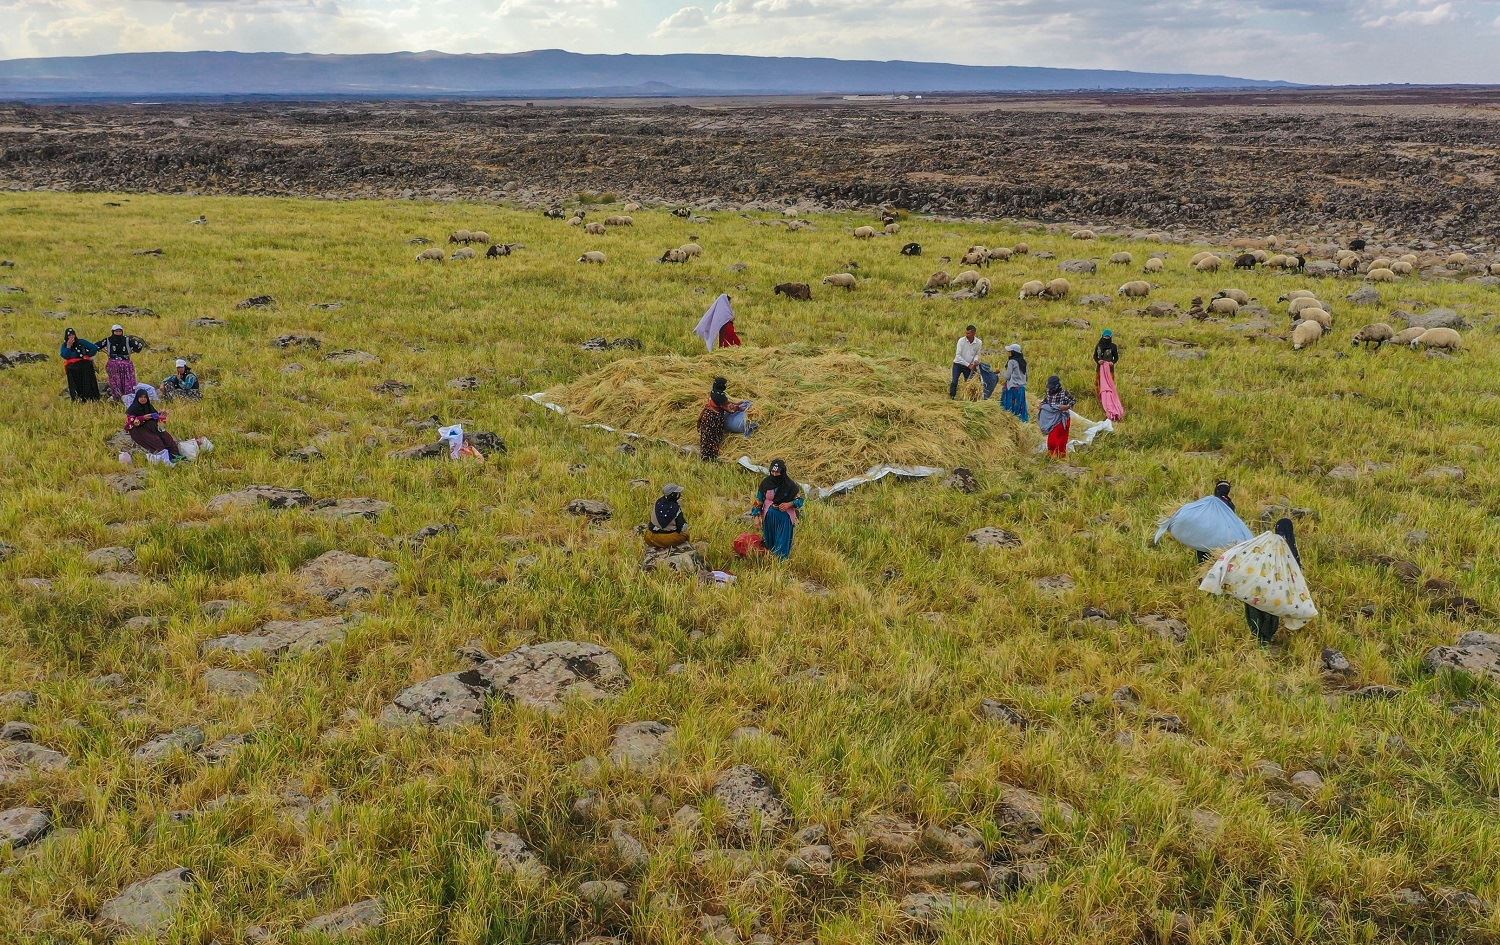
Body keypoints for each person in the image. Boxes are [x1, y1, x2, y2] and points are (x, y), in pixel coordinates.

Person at [1199, 517, 1316, 645]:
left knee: (1254, 609)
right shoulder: (1288, 548)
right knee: (1271, 612)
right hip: (1275, 591)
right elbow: (1296, 570)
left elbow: (1245, 553)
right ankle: (1265, 639)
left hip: (1255, 586)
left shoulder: (1264, 541)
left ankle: (1258, 637)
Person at [751, 459, 803, 560]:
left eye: (777, 472)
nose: (774, 475)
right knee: (769, 542)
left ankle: (780, 565)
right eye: (772, 472)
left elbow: (800, 501)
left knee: (782, 543)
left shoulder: (790, 486)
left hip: (784, 519)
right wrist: (756, 516)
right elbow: (758, 500)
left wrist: (789, 504)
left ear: (782, 472)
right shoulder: (766, 483)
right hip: (769, 517)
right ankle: (769, 563)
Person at [124, 387, 185, 461]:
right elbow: (130, 422)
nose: (143, 399)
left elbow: (156, 416)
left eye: (145, 397)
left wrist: (161, 414)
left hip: (152, 428)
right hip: (139, 430)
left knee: (167, 438)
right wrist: (142, 418)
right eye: (141, 397)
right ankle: (167, 459)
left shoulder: (149, 406)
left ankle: (176, 456)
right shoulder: (133, 408)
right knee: (156, 441)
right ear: (137, 398)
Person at [698, 376, 750, 461]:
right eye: (725, 385)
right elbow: (729, 409)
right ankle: (710, 457)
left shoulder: (715, 392)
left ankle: (706, 455)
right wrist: (739, 408)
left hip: (708, 416)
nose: (726, 386)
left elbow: (726, 402)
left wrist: (736, 403)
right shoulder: (719, 396)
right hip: (713, 419)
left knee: (707, 436)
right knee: (712, 436)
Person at [99, 324, 143, 401]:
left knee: (128, 382)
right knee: (115, 383)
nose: (118, 333)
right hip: (113, 365)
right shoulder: (108, 340)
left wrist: (132, 350)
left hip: (126, 365)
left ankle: (129, 398)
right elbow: (97, 346)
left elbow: (139, 346)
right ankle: (118, 399)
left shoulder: (127, 339)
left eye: (120, 331)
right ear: (113, 332)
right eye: (116, 331)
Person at [59, 328, 103, 402]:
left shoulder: (81, 342)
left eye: (72, 335)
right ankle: (78, 398)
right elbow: (65, 355)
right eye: (69, 335)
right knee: (75, 384)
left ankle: (91, 397)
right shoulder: (65, 345)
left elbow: (94, 348)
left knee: (87, 382)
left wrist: (87, 355)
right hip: (72, 368)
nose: (71, 337)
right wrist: (68, 346)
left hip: (84, 365)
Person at [1038, 375, 1076, 457]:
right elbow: (1045, 401)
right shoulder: (1049, 393)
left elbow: (1073, 401)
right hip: (1052, 419)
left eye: (1052, 387)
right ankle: (1052, 456)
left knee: (1062, 439)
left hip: (1062, 419)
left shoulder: (1064, 393)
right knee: (1052, 440)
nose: (1050, 389)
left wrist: (1067, 406)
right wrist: (1041, 405)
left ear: (1057, 385)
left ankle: (1061, 456)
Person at [645, 484, 689, 548]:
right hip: (667, 539)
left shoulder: (658, 502)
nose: (680, 495)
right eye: (678, 493)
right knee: (686, 534)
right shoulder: (675, 508)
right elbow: (681, 528)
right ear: (673, 495)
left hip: (649, 537)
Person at [1094, 329, 1124, 422]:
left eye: (1108, 337)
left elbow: (1116, 357)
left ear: (1110, 337)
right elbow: (1095, 356)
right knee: (1099, 384)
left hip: (1109, 370)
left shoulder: (1113, 346)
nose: (1106, 338)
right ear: (1102, 336)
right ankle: (1101, 399)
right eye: (1105, 337)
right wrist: (1098, 361)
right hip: (1100, 369)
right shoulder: (1099, 345)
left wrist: (1112, 362)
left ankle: (1110, 400)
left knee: (1110, 385)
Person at [950, 325, 982, 398]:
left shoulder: (979, 342)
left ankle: (966, 397)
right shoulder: (961, 340)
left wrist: (975, 361)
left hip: (969, 366)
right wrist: (968, 365)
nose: (966, 335)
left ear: (974, 333)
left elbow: (977, 354)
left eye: (968, 333)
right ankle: (952, 396)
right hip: (958, 364)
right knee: (954, 381)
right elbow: (958, 356)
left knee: (968, 383)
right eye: (966, 333)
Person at [1001, 343, 1028, 421]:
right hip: (1021, 388)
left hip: (1013, 388)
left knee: (1011, 410)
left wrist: (1000, 372)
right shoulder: (1023, 362)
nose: (1008, 353)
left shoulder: (1011, 362)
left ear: (1013, 352)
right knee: (1020, 407)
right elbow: (1026, 377)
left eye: (1010, 352)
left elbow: (1007, 376)